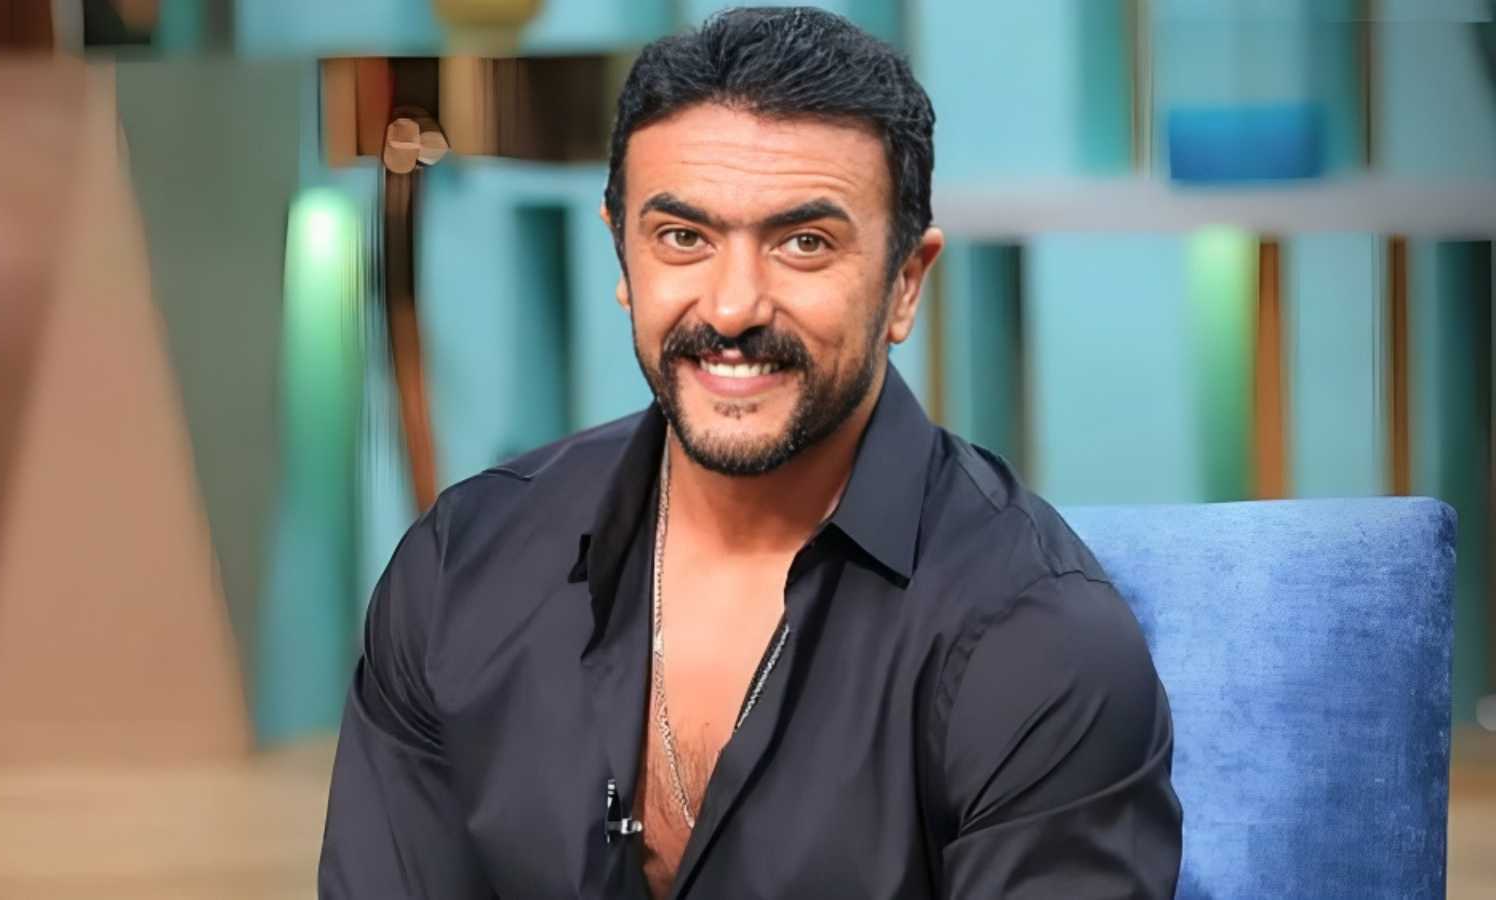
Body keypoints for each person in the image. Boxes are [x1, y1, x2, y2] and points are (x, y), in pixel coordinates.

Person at [319, 7, 1182, 898]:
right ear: (623, 258)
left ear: (904, 284)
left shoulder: (1039, 643)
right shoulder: (462, 567)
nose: (733, 307)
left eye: (804, 244)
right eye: (683, 238)